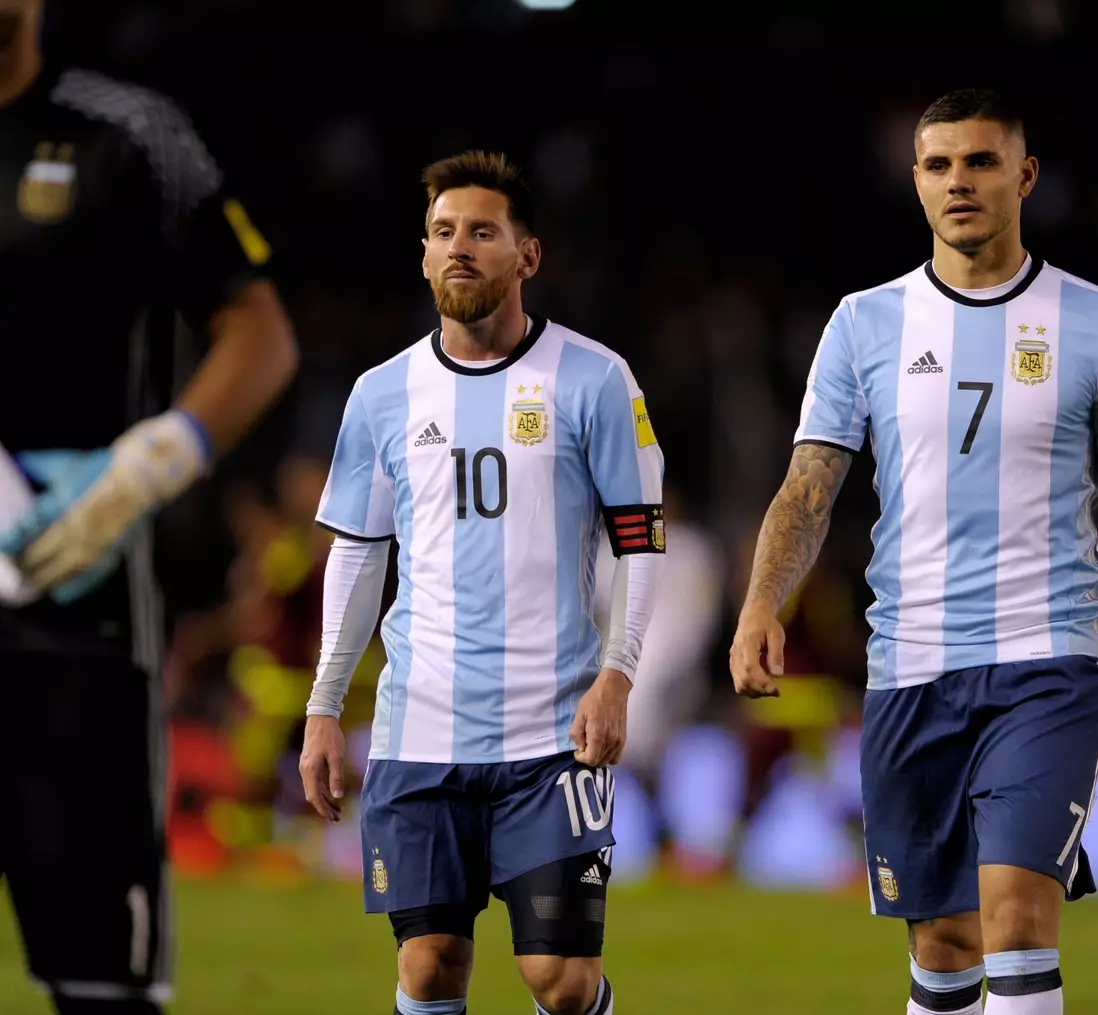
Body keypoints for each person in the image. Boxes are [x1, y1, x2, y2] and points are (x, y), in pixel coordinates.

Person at [729, 87, 1098, 1015]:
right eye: (938, 165)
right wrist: (764, 603)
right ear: (916, 182)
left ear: (1025, 176)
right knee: (945, 943)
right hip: (909, 665)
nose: (959, 181)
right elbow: (808, 489)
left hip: (1049, 665)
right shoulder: (863, 323)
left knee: (1018, 918)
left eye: (982, 161)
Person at [297, 151, 664, 1015]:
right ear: (423, 253)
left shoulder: (596, 379)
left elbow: (641, 544)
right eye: (443, 232)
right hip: (418, 733)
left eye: (482, 232)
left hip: (551, 734)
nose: (459, 247)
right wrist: (323, 702)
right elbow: (358, 555)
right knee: (428, 967)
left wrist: (619, 674)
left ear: (526, 255)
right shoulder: (381, 395)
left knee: (562, 981)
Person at [0, 1, 298, 1011]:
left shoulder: (129, 135)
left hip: (76, 614)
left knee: (101, 985)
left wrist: (145, 467)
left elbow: (259, 336)